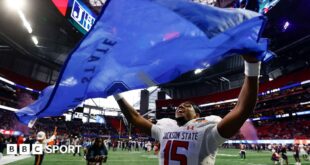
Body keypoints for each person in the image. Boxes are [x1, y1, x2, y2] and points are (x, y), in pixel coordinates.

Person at [113, 54, 261, 164]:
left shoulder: (207, 129)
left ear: (197, 114)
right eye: (179, 105)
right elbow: (135, 118)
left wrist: (252, 65)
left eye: (187, 105)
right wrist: (115, 92)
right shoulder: (165, 126)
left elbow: (242, 109)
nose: (181, 106)